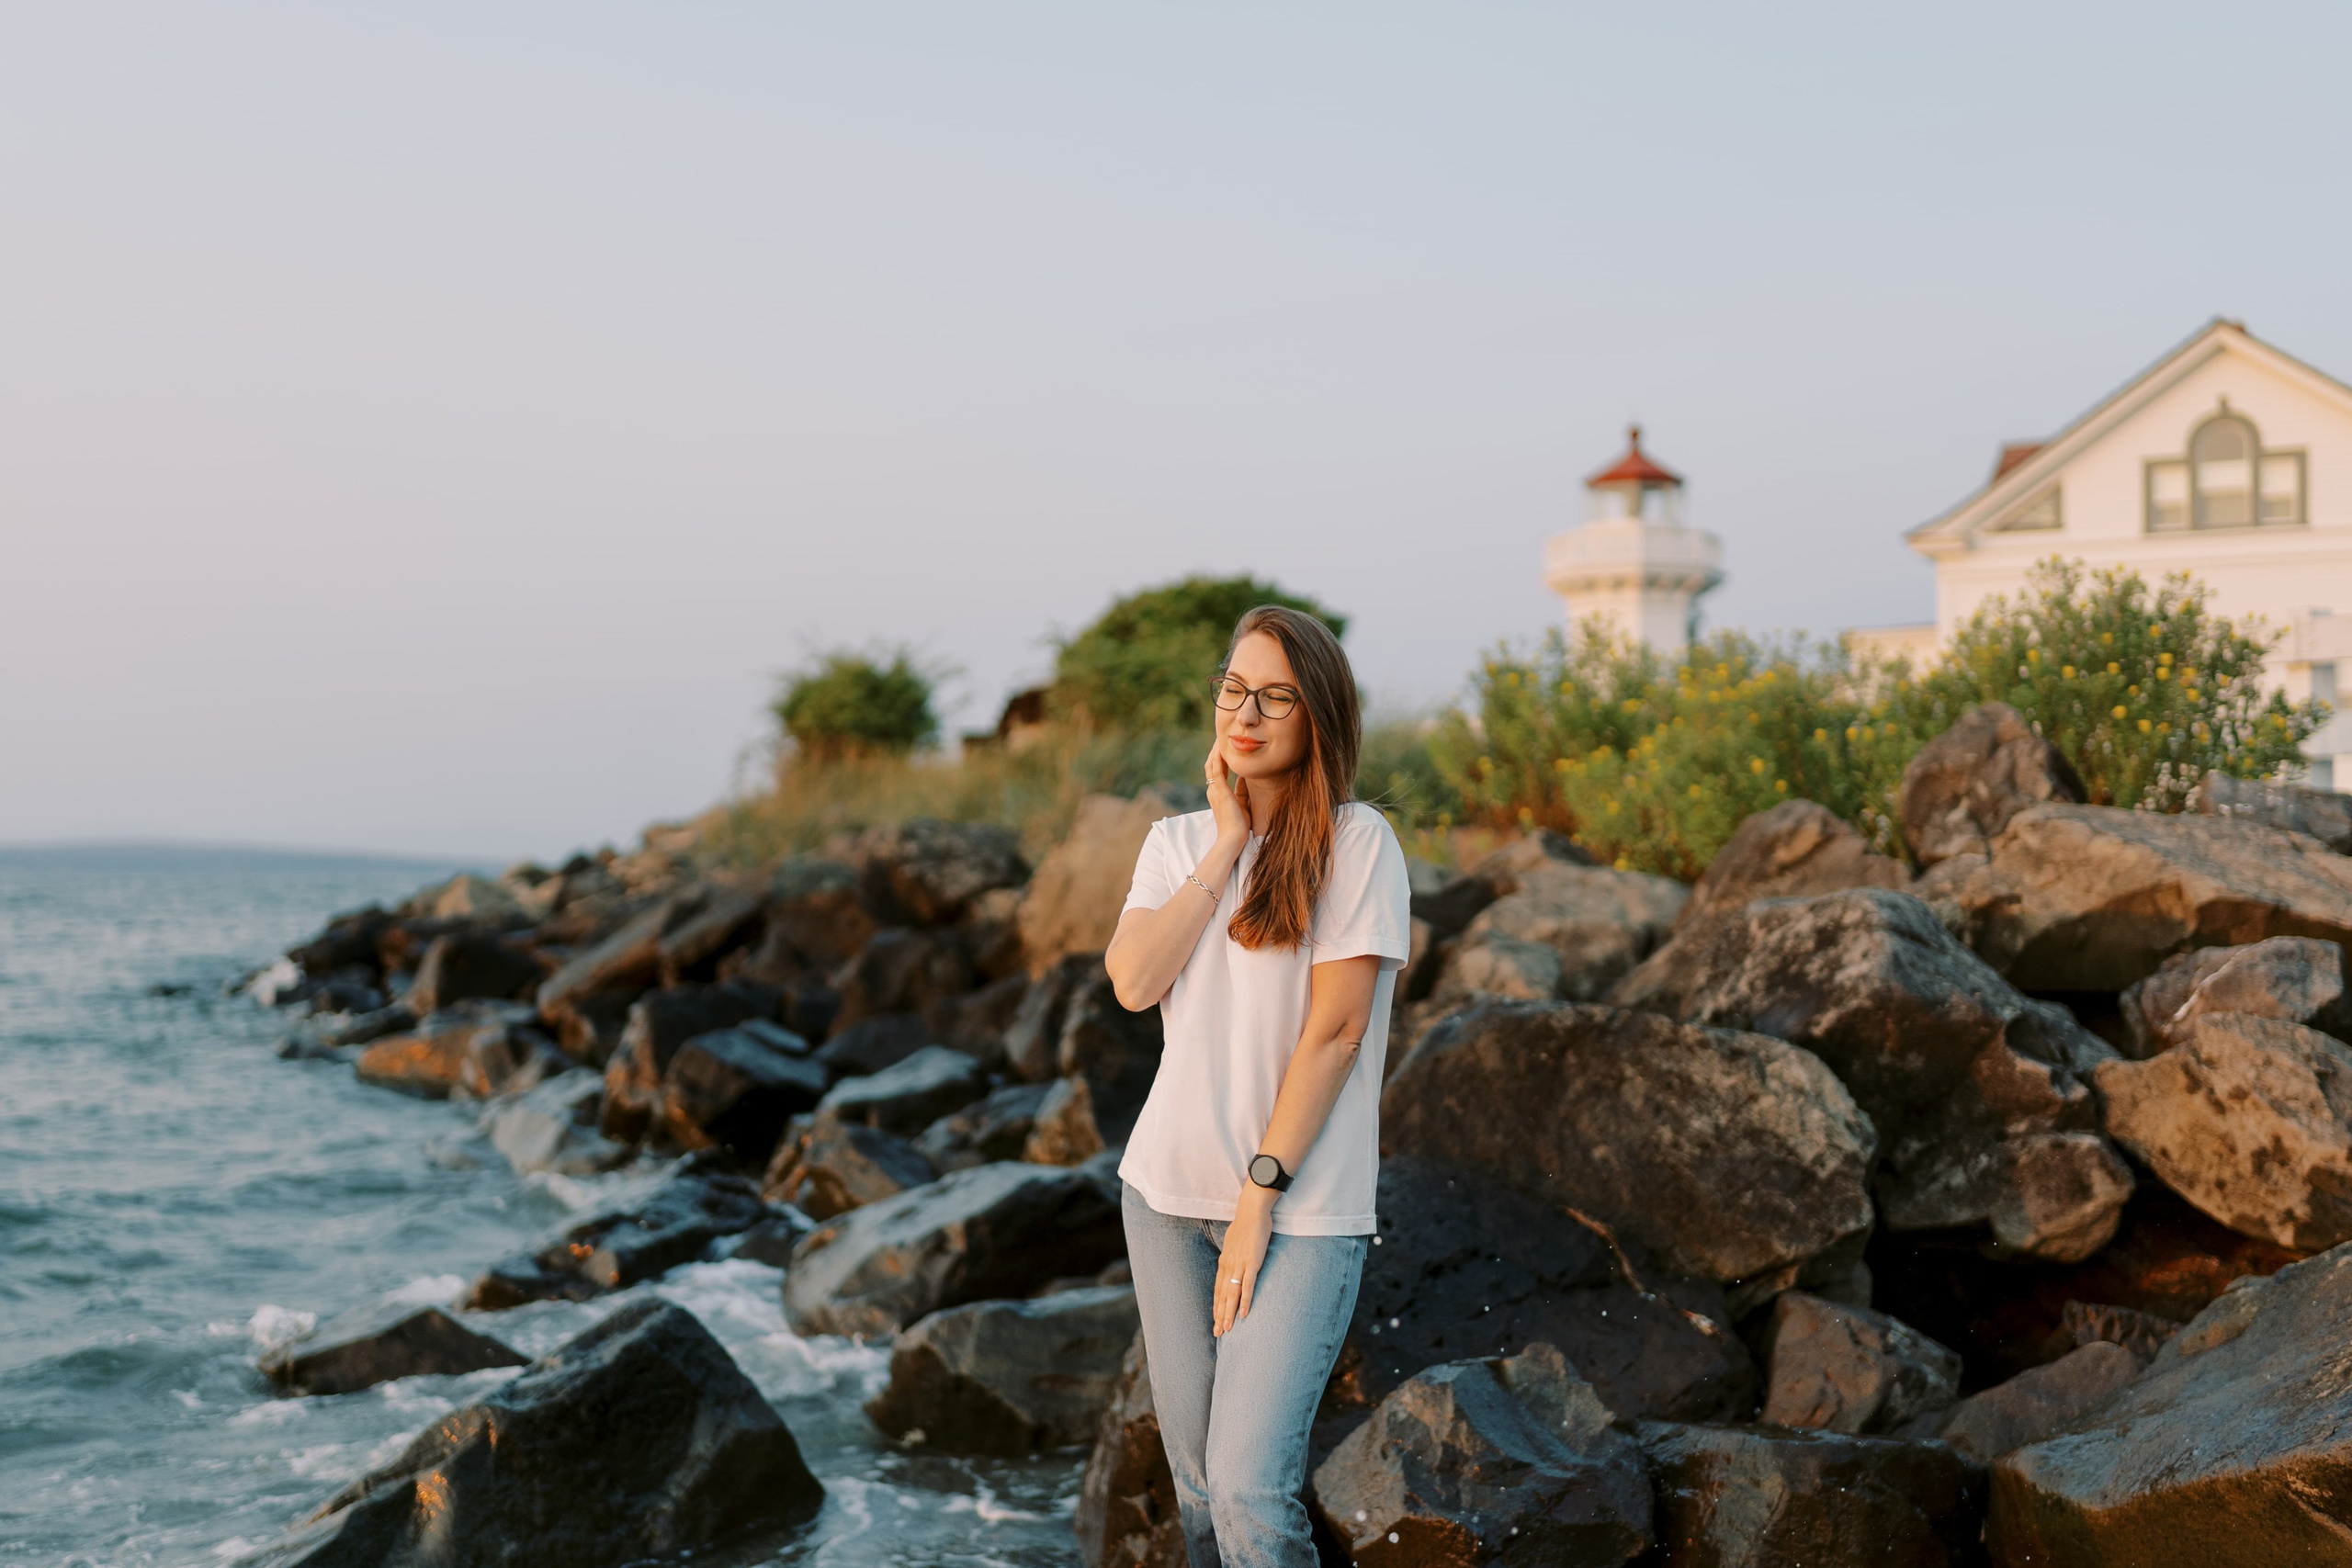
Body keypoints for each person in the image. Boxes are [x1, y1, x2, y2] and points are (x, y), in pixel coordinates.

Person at [1104, 604, 1411, 1568]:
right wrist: (1226, 844)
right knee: (1199, 1490)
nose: (1246, 713)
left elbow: (1337, 1032)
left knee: (1248, 1489)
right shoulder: (1177, 843)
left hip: (1299, 1212)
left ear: (1319, 715)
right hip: (1164, 1199)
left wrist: (1257, 1197)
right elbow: (1133, 982)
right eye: (1235, 689)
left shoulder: (1359, 843)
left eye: (1276, 697)